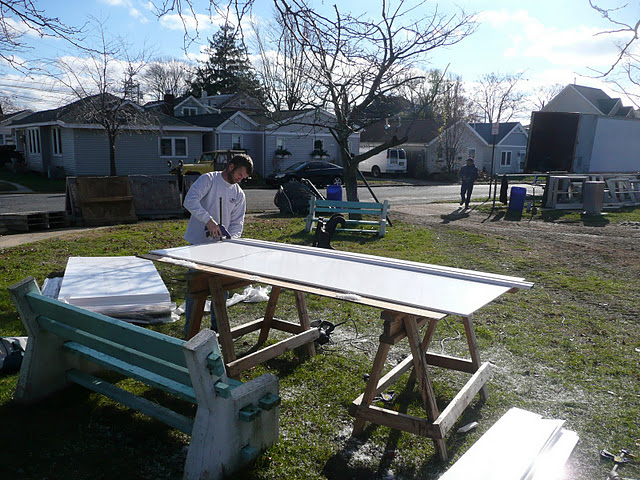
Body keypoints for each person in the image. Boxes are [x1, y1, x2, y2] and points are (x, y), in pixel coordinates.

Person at [182, 153, 253, 337]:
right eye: (240, 174)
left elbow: (237, 223)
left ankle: (218, 330)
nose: (240, 179)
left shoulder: (239, 194)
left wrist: (231, 241)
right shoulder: (209, 180)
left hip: (222, 249)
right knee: (196, 288)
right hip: (198, 244)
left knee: (221, 290)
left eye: (244, 177)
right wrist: (208, 220)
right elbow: (189, 200)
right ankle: (190, 332)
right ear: (231, 166)